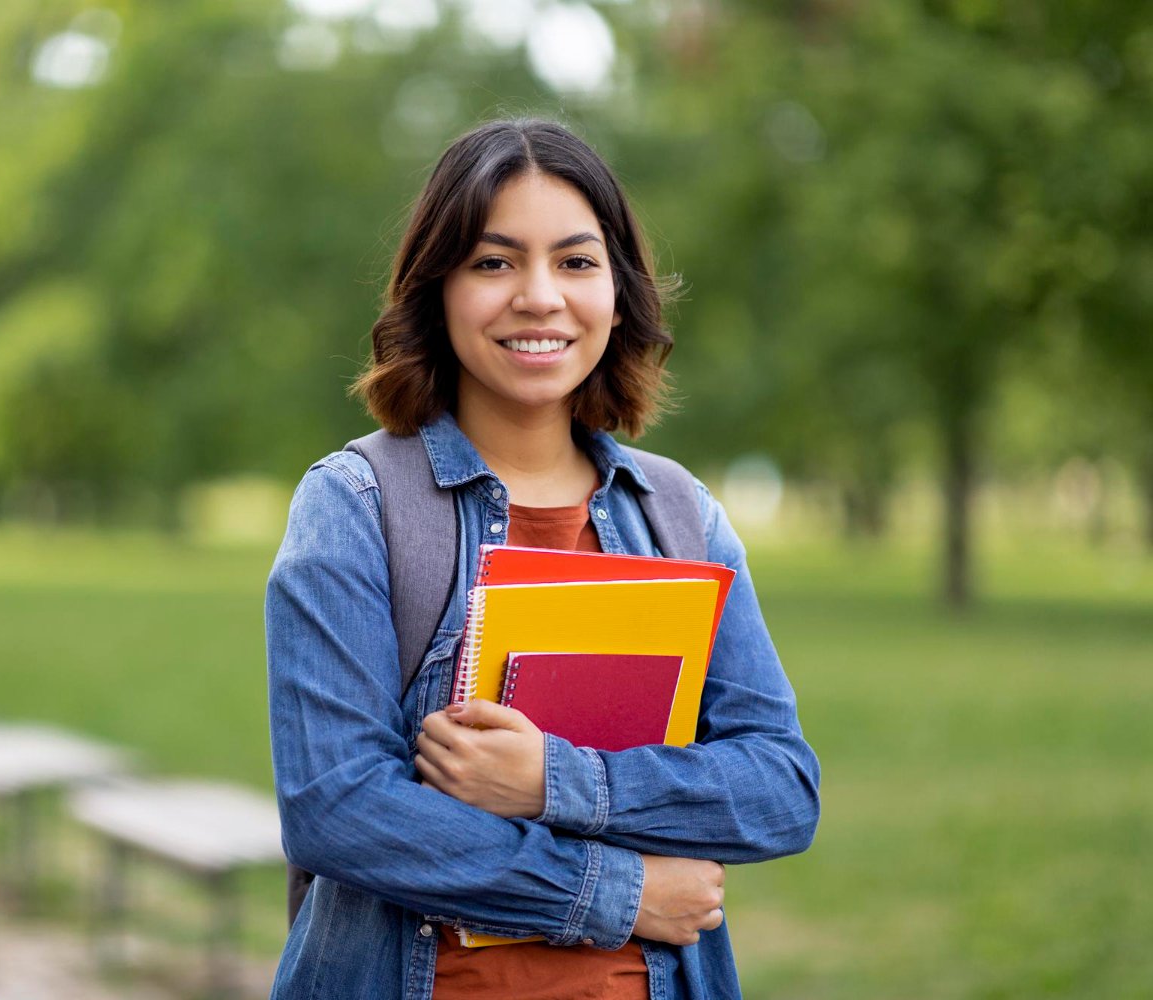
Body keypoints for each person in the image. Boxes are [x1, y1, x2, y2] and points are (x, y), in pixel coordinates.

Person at [265, 117, 819, 1000]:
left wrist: (553, 782)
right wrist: (616, 893)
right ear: (437, 289)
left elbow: (781, 788)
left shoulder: (680, 513)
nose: (538, 297)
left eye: (575, 261)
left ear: (617, 291)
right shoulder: (355, 506)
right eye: (493, 263)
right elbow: (336, 810)